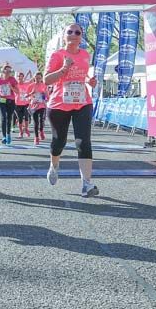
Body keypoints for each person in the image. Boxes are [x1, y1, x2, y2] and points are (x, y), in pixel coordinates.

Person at [43, 23, 99, 197]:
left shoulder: (85, 54)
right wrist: (64, 68)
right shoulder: (57, 55)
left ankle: (87, 184)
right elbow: (46, 80)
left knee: (83, 141)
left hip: (82, 102)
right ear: (64, 35)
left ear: (81, 36)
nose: (74, 34)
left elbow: (82, 76)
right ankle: (54, 165)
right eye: (70, 32)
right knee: (59, 141)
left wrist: (90, 82)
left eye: (78, 32)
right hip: (60, 104)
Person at [0, 63, 19, 145]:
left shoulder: (13, 79)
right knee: (3, 117)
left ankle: (8, 134)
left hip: (11, 101)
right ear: (2, 71)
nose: (8, 72)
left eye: (9, 71)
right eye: (6, 70)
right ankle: (4, 136)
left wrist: (11, 87)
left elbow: (17, 91)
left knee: (9, 118)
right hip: (2, 101)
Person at [29, 71, 48, 145]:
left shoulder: (44, 85)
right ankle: (36, 137)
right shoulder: (31, 86)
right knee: (35, 122)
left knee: (41, 120)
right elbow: (26, 96)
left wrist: (44, 96)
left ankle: (41, 130)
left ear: (41, 78)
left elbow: (47, 97)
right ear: (34, 78)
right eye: (36, 78)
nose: (37, 79)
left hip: (42, 105)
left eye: (39, 78)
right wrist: (31, 94)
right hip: (34, 106)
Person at [15, 71, 32, 139]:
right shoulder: (15, 85)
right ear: (17, 77)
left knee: (26, 117)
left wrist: (30, 73)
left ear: (23, 77)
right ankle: (21, 132)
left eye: (21, 76)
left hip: (26, 103)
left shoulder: (26, 84)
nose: (20, 78)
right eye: (19, 76)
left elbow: (32, 79)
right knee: (20, 119)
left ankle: (26, 129)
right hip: (17, 104)